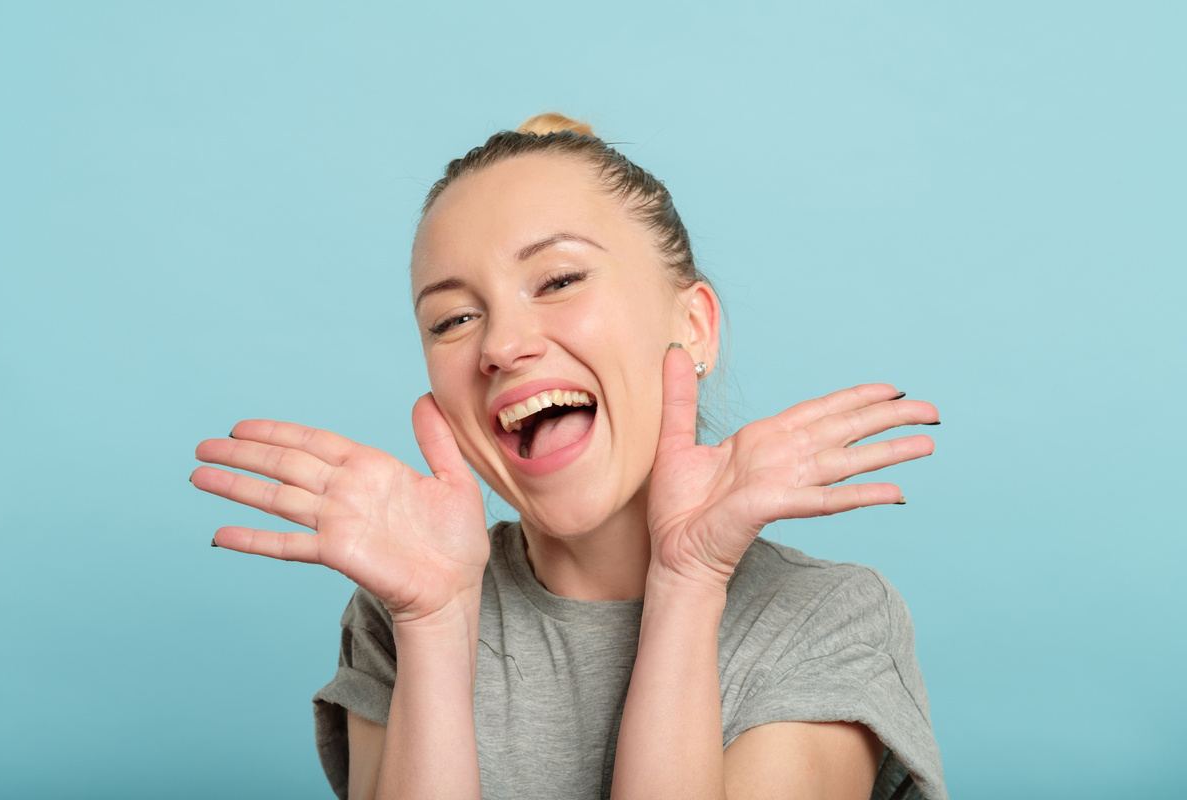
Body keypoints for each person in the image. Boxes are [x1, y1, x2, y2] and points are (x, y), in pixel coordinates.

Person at [191, 113, 948, 800]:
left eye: (558, 280)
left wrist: (687, 585)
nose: (500, 346)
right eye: (452, 318)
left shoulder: (825, 619)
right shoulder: (400, 612)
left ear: (693, 326)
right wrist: (434, 624)